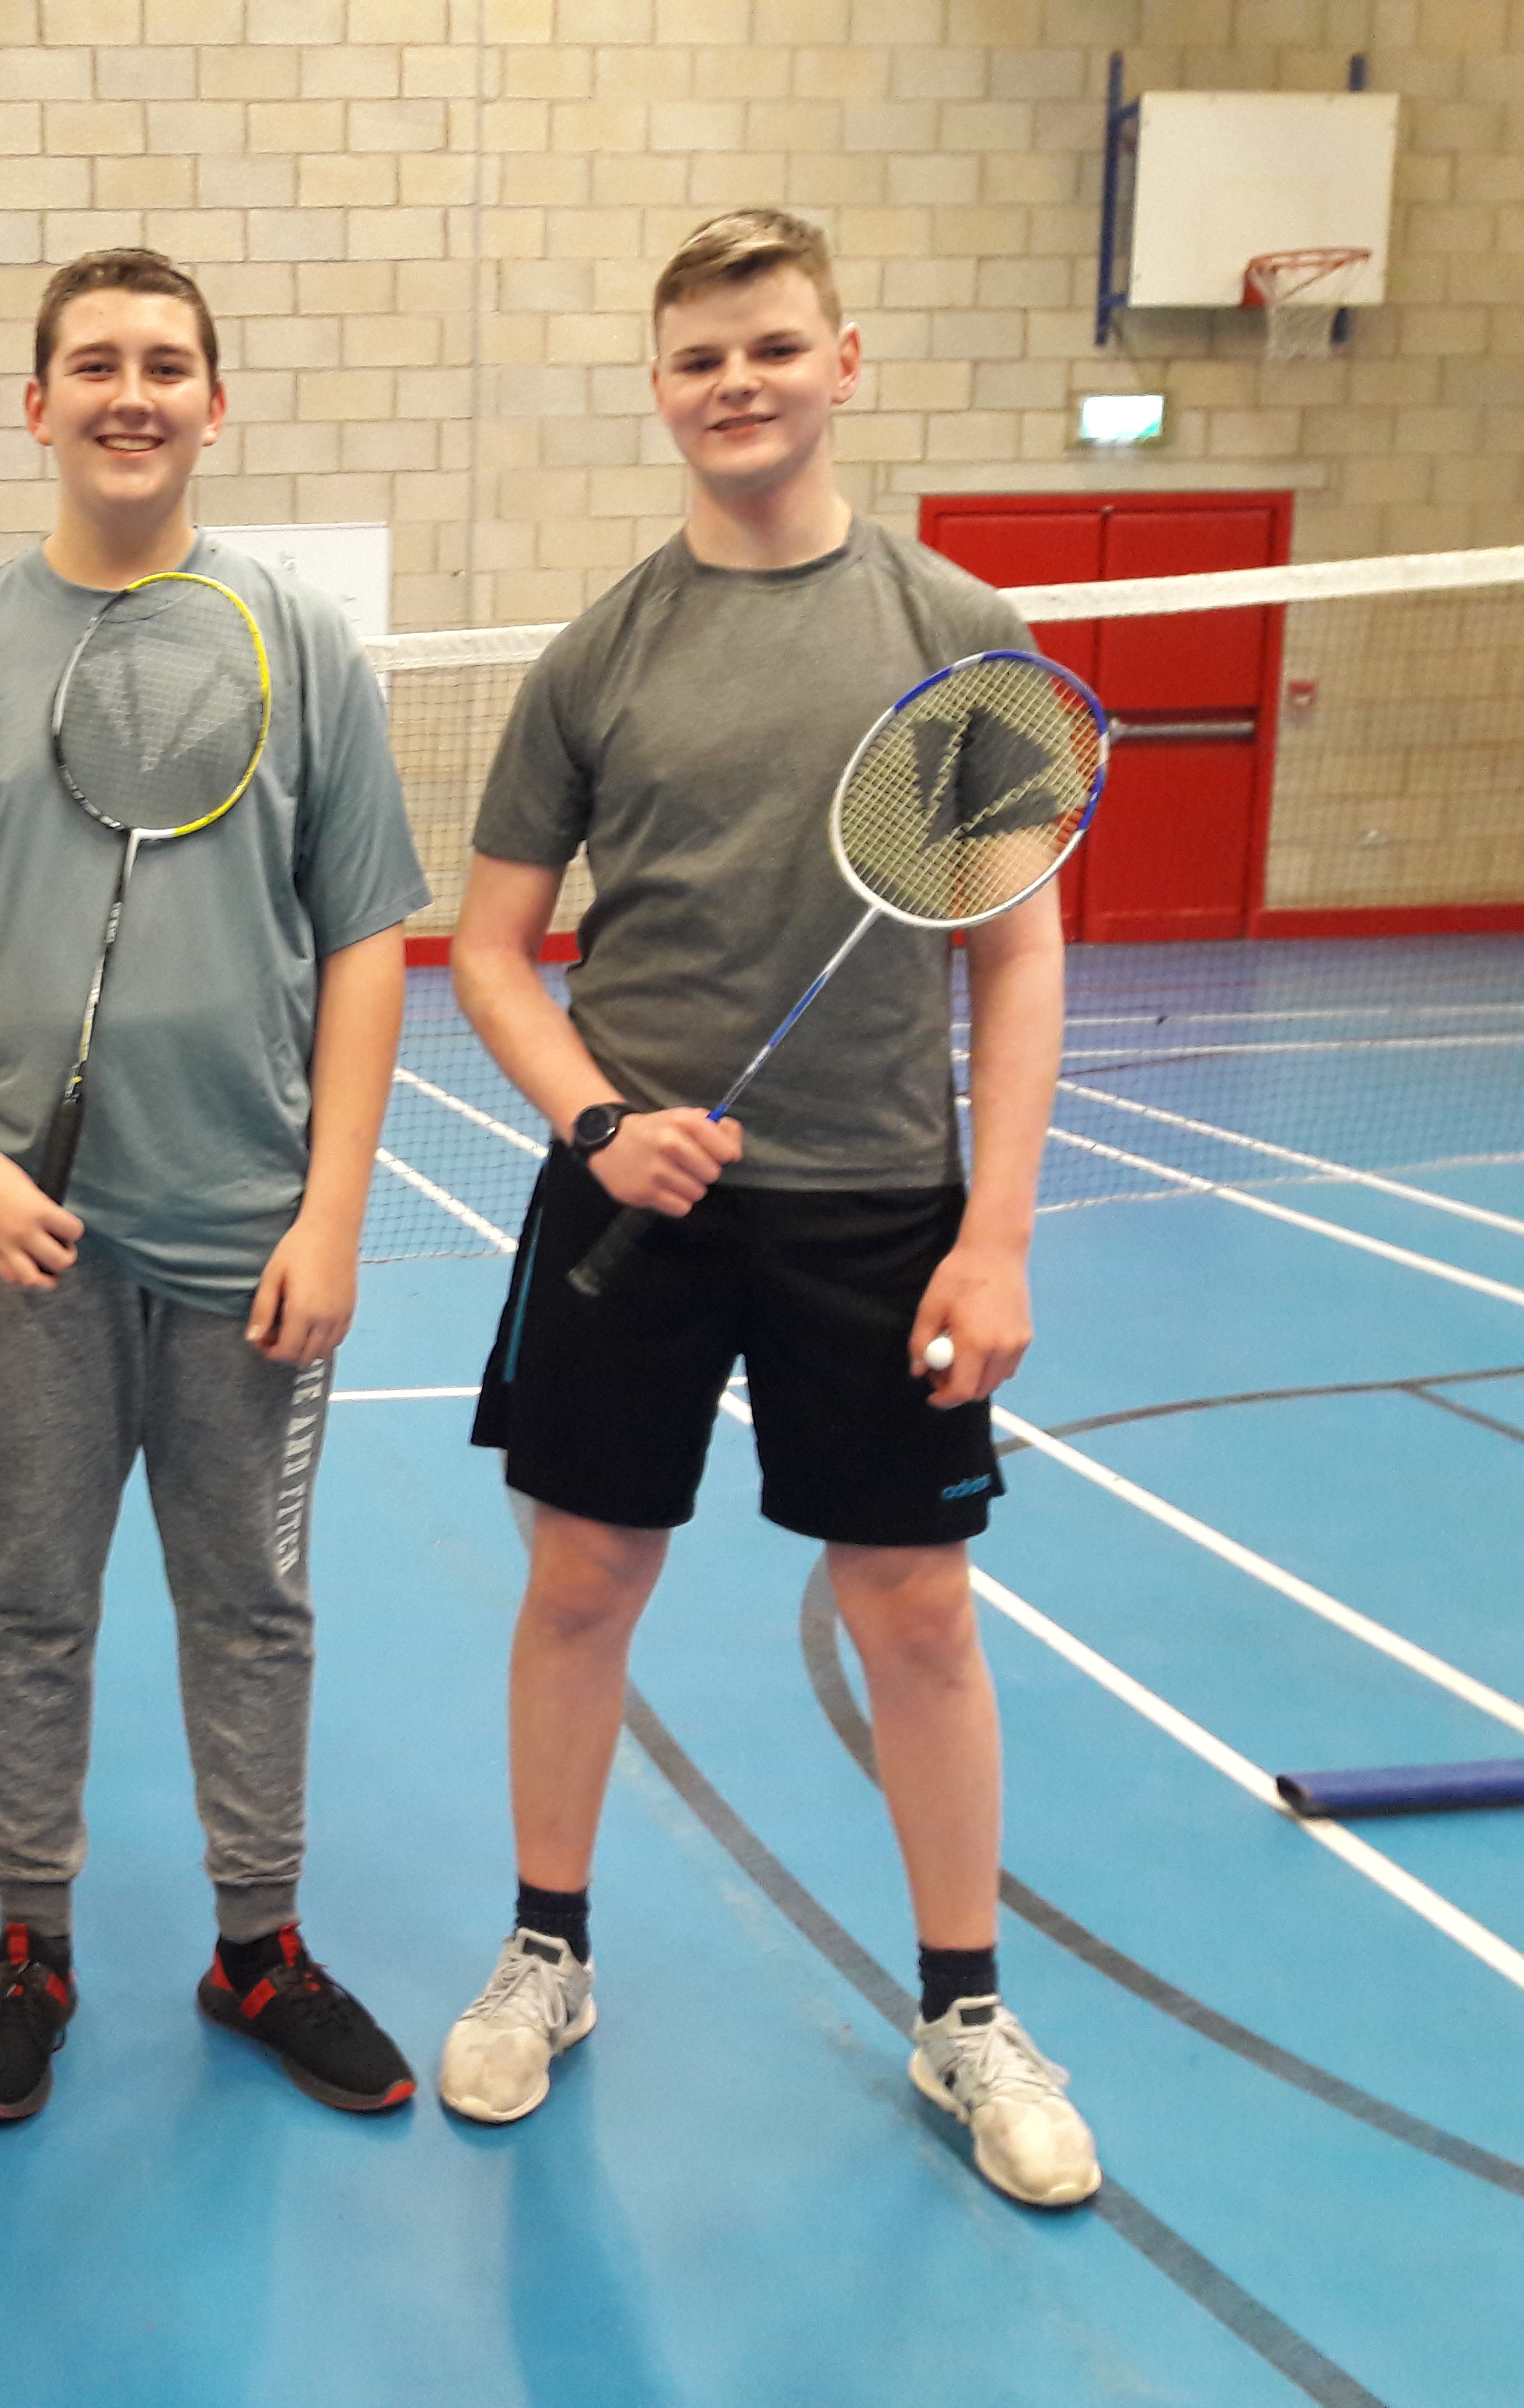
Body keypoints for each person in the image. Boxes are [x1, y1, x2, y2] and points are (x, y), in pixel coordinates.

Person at [442, 209, 1100, 2207]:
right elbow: (485, 949)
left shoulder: (953, 631)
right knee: (581, 1584)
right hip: (634, 1201)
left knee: (914, 1606)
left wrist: (995, 1237)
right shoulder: (601, 650)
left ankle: (967, 2013)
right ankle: (546, 1955)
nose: (738, 383)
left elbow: (1016, 957)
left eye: (774, 347)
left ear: (846, 361)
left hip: (880, 1203)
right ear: (661, 389)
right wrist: (591, 1128)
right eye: (702, 357)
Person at [0, 250, 431, 2123]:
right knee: (29, 1599)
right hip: (17, 1245)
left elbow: (365, 944)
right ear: (35, 405)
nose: (131, 391)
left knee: (252, 1596)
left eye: (168, 363)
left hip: (250, 1228)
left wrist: (333, 1208)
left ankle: (259, 1942)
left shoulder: (302, 642)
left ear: (214, 403)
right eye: (93, 362)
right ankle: (34, 1944)